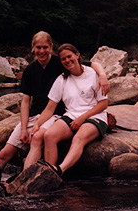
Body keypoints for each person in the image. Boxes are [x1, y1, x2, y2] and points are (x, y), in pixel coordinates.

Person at [0, 32, 109, 171]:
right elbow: (28, 102)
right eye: (38, 47)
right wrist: (26, 127)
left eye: (45, 47)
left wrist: (102, 75)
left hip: (61, 116)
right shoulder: (34, 71)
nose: (41, 51)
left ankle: (41, 175)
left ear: (50, 47)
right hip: (44, 115)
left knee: (39, 139)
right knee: (5, 154)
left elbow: (92, 66)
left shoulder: (64, 64)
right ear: (33, 48)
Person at [24, 43, 108, 177]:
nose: (67, 61)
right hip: (71, 116)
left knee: (78, 138)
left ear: (77, 55)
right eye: (63, 59)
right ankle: (48, 172)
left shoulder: (93, 74)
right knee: (48, 135)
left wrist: (82, 118)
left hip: (95, 116)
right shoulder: (62, 79)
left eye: (69, 57)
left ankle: (59, 170)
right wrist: (37, 125)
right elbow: (49, 109)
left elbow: (103, 104)